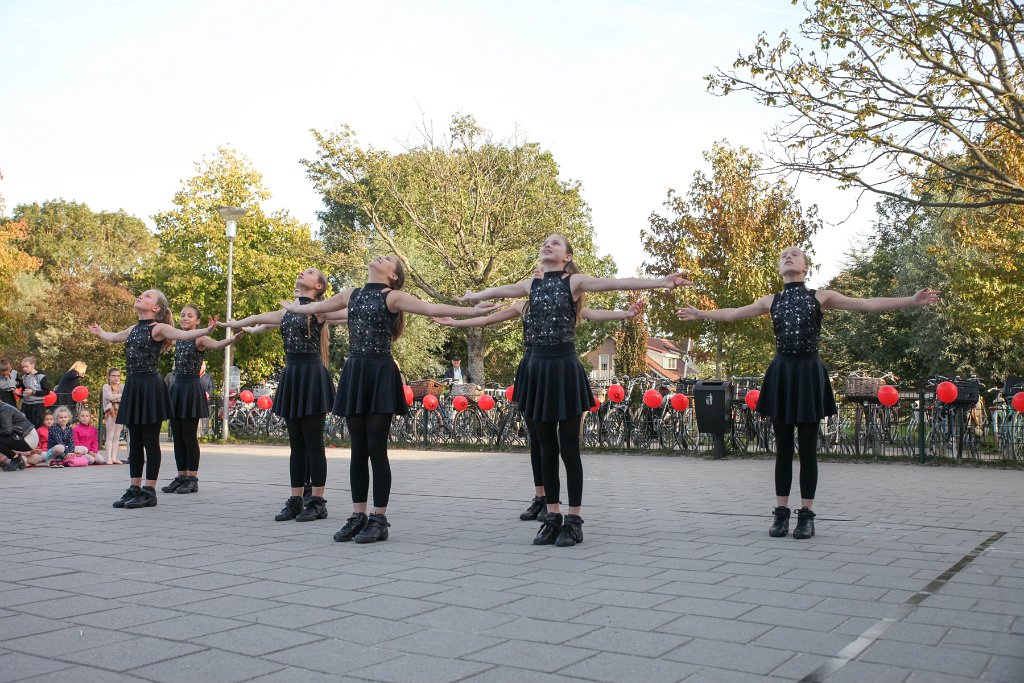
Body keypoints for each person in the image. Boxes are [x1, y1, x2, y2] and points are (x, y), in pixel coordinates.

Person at [676, 246, 940, 539]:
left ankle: (807, 515)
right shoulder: (770, 300)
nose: (788, 257)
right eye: (783, 256)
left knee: (808, 450)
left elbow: (866, 303)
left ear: (805, 268)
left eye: (795, 254)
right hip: (783, 374)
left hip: (809, 374)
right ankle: (780, 514)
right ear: (780, 268)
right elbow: (733, 314)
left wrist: (911, 300)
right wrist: (700, 313)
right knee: (784, 450)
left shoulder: (820, 296)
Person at [457, 234, 688, 546]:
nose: (548, 245)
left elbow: (615, 283)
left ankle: (574, 520)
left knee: (568, 448)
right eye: (545, 242)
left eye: (555, 243)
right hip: (537, 370)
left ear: (566, 257)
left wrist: (661, 281)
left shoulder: (574, 282)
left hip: (564, 368)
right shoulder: (530, 286)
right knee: (546, 449)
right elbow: (498, 292)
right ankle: (552, 516)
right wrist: (474, 294)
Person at [281, 255, 496, 543]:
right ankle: (358, 516)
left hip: (379, 372)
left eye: (388, 259)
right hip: (355, 370)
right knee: (357, 449)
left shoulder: (392, 297)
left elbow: (430, 307)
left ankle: (379, 519)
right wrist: (295, 306)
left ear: (392, 276)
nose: (380, 256)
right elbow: (317, 307)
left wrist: (470, 310)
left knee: (376, 449)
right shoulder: (350, 294)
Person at [435, 295, 643, 522]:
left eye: (543, 268)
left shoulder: (565, 302)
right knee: (537, 439)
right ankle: (541, 497)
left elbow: (592, 312)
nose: (538, 271)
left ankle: (562, 510)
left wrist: (625, 313)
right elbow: (487, 321)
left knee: (562, 442)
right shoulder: (523, 305)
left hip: (559, 368)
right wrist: (454, 322)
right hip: (532, 369)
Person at [222, 268, 336, 523]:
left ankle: (317, 502)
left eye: (309, 273)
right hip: (293, 375)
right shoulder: (287, 311)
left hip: (311, 375)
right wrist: (229, 324)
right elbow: (256, 317)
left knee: (313, 443)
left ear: (318, 286)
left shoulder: (319, 309)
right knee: (296, 444)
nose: (301, 273)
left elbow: (347, 313)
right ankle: (296, 499)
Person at [88, 289, 217, 509]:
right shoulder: (133, 328)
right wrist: (101, 332)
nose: (141, 296)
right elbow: (113, 337)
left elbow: (183, 334)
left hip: (150, 387)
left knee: (149, 441)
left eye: (147, 296)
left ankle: (149, 491)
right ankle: (134, 487)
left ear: (156, 308)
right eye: (141, 294)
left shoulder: (158, 328)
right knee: (134, 441)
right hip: (134, 386)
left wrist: (207, 329)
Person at [162, 304, 244, 495]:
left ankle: (192, 478)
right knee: (177, 436)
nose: (185, 318)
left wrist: (232, 339)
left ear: (197, 321)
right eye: (182, 315)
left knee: (189, 436)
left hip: (191, 388)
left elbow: (216, 345)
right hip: (176, 388)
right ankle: (181, 476)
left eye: (190, 316)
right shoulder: (177, 337)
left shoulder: (200, 338)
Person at [0, 401, 39, 470]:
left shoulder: (4, 410)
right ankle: (18, 460)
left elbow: (7, 431)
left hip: (28, 438)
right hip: (24, 436)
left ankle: (16, 459)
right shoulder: (4, 408)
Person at [17, 356, 49, 428]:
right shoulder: (24, 377)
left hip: (37, 405)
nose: (24, 368)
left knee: (37, 426)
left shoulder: (41, 377)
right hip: (25, 405)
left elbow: (46, 391)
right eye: (23, 367)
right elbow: (24, 392)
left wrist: (33, 392)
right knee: (25, 426)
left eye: (26, 366)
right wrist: (19, 395)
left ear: (33, 365)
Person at [101, 368, 125, 464]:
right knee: (110, 435)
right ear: (109, 377)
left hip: (121, 412)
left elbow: (126, 397)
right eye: (114, 375)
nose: (116, 378)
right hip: (110, 412)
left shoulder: (122, 386)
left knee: (117, 435)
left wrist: (117, 397)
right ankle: (109, 458)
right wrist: (120, 396)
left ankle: (114, 457)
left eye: (118, 375)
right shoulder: (106, 386)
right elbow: (109, 397)